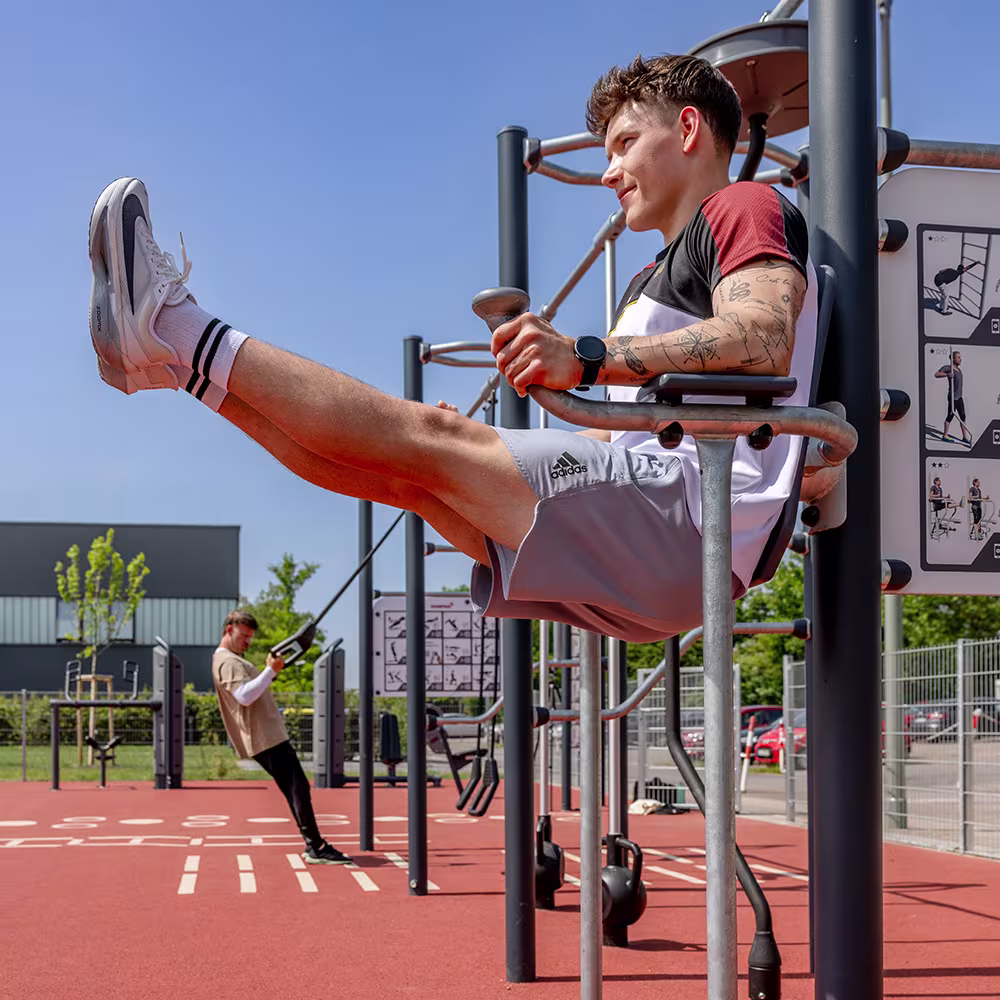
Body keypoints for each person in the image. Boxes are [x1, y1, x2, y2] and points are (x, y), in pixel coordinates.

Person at [87, 54, 814, 644]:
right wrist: (505, 439)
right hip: (673, 536)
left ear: (688, 129)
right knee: (405, 473)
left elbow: (764, 337)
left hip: (689, 518)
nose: (607, 172)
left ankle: (172, 324)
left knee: (422, 438)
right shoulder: (652, 275)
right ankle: (173, 362)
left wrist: (587, 357)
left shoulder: (741, 206)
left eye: (625, 144)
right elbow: (634, 430)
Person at [211, 610, 352, 865]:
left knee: (295, 788)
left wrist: (271, 672)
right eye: (243, 636)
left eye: (250, 637)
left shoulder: (232, 659)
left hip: (267, 735)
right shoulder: (227, 661)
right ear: (229, 630)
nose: (248, 641)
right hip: (264, 737)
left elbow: (253, 690)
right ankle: (316, 846)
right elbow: (244, 696)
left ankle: (313, 844)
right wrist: (269, 670)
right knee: (297, 787)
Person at [935, 351, 972, 445]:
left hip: (959, 397)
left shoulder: (959, 370)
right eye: (958, 357)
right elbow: (936, 374)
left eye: (960, 357)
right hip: (953, 396)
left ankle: (964, 437)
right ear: (953, 359)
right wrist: (947, 375)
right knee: (950, 415)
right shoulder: (949, 368)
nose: (960, 359)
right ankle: (945, 436)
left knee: (963, 416)